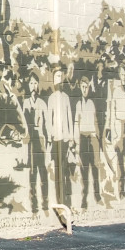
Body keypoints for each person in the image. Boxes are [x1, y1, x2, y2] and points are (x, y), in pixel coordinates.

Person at [45, 67, 77, 208]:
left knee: (65, 167)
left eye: (60, 76)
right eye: (56, 76)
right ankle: (59, 197)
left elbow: (69, 117)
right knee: (57, 167)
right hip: (55, 138)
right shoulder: (51, 98)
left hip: (64, 138)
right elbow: (48, 118)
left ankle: (65, 197)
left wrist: (70, 137)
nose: (59, 79)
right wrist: (50, 134)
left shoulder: (66, 97)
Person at [19, 74, 50, 216]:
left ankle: (45, 202)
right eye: (31, 83)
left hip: (41, 140)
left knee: (42, 171)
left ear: (38, 85)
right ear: (28, 85)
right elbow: (23, 124)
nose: (33, 86)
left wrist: (48, 140)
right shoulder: (25, 103)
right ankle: (34, 204)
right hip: (31, 140)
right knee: (32, 172)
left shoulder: (42, 103)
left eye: (35, 83)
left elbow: (47, 125)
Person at [74, 75, 103, 209]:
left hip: (92, 138)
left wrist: (97, 138)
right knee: (84, 170)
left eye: (87, 87)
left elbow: (96, 122)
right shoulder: (78, 104)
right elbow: (76, 125)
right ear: (80, 88)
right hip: (82, 138)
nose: (85, 90)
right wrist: (77, 144)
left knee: (95, 168)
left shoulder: (91, 103)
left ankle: (97, 196)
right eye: (83, 87)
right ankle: (84, 198)